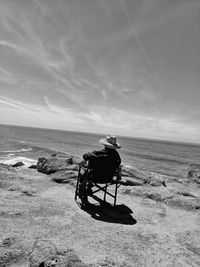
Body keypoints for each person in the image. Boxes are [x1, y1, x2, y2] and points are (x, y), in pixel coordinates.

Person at [78, 135, 122, 205]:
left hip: (94, 177)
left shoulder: (97, 153)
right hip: (108, 178)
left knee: (83, 173)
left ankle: (82, 194)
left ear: (105, 144)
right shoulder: (117, 157)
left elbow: (85, 156)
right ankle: (88, 189)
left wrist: (90, 153)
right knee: (94, 172)